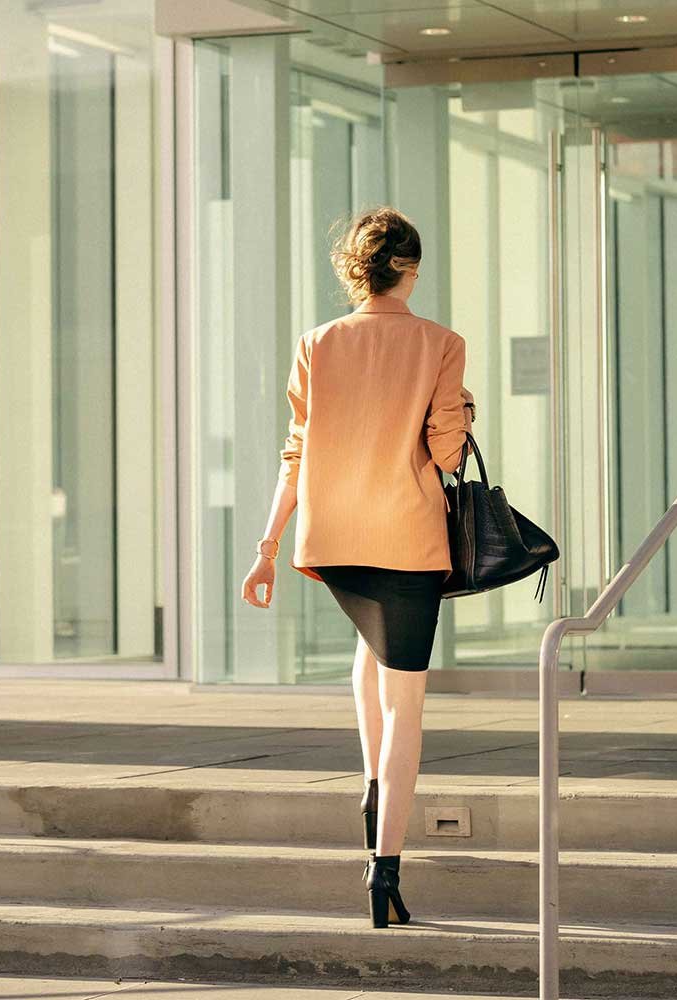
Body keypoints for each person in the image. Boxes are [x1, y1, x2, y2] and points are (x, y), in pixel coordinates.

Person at [239, 206, 474, 929]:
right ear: (410, 267)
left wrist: (266, 550)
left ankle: (375, 790)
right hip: (405, 539)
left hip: (334, 540)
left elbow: (297, 452)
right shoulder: (440, 343)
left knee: (368, 656)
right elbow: (446, 455)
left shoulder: (318, 343)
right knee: (407, 703)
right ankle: (385, 866)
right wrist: (461, 411)